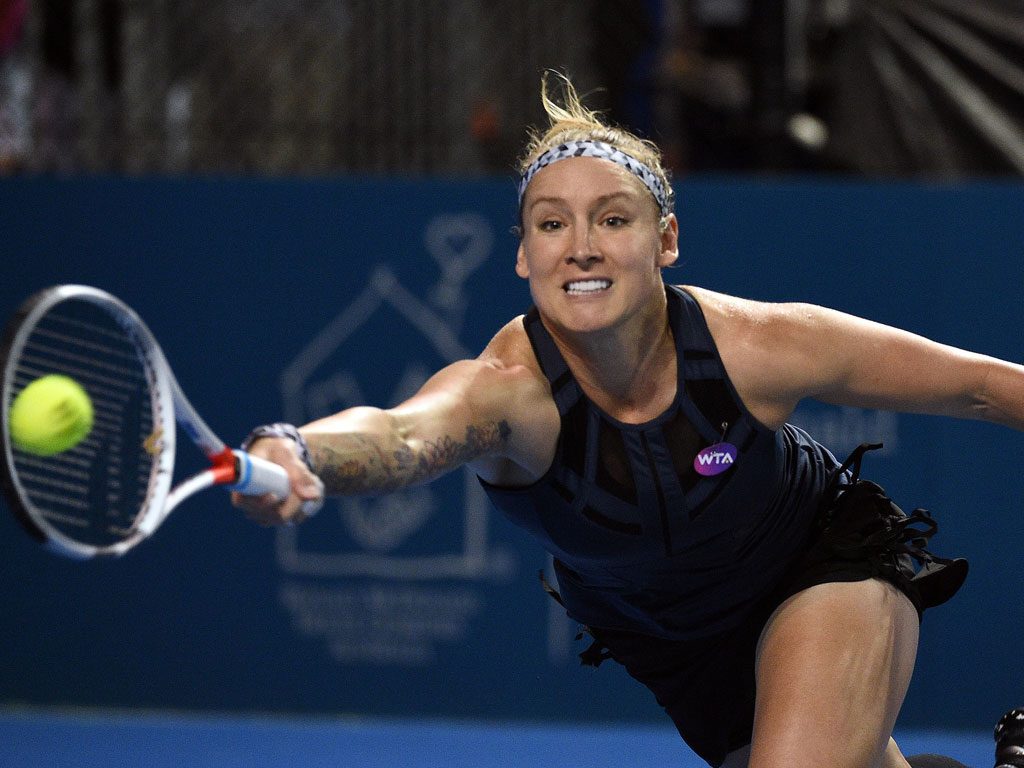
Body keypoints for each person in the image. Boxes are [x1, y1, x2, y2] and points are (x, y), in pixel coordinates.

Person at [232, 74, 1024, 768]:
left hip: (817, 566)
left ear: (666, 240)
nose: (580, 248)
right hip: (677, 644)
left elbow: (984, 388)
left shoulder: (758, 348)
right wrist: (299, 447)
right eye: (551, 224)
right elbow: (400, 435)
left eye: (613, 219)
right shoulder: (507, 393)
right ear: (522, 255)